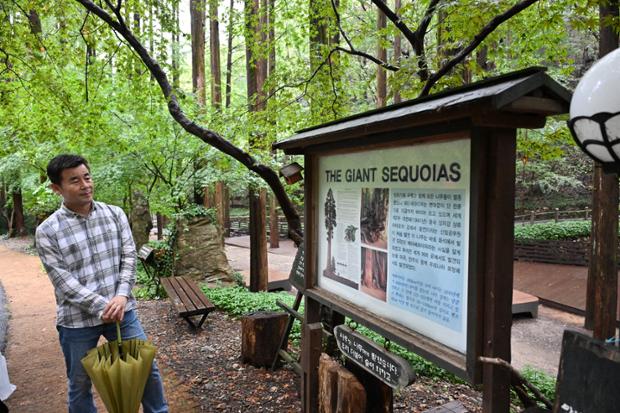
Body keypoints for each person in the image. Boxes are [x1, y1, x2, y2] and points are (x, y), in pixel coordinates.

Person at [35, 154, 168, 413]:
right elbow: (63, 281)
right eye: (74, 181)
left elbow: (129, 257)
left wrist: (121, 297)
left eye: (87, 177)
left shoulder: (114, 214)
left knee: (146, 370)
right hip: (76, 320)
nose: (85, 185)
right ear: (56, 188)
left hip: (123, 312)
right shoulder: (48, 230)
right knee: (80, 381)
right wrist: (104, 305)